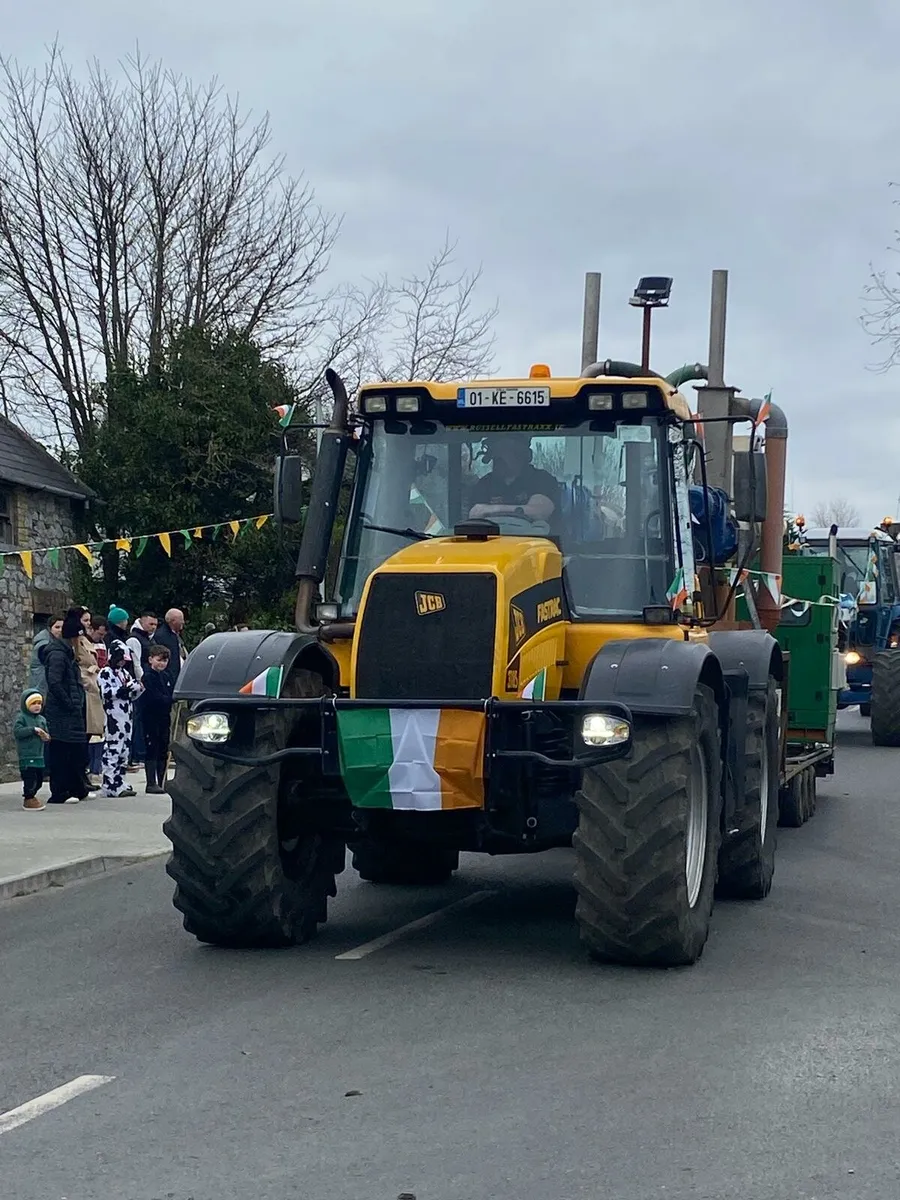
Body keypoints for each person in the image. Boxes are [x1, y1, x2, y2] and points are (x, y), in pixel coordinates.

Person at [40, 608, 94, 805]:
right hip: (62, 711)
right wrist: (69, 702)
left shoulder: (67, 653)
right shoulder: (57, 654)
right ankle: (60, 791)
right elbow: (54, 682)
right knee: (61, 752)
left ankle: (76, 788)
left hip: (71, 710)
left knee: (75, 752)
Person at [468, 434, 559, 526]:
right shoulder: (485, 484)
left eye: (503, 449)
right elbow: (475, 515)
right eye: (495, 451)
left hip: (538, 539)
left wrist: (491, 509)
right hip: (491, 540)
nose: (496, 456)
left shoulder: (541, 479)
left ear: (521, 454)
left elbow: (539, 512)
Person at [97, 644, 143, 797]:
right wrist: (122, 690)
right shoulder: (105, 673)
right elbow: (106, 693)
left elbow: (132, 695)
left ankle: (120, 781)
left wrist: (137, 689)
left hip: (126, 717)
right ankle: (109, 784)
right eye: (121, 659)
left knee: (124, 751)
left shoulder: (124, 674)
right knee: (112, 749)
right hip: (112, 717)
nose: (123, 663)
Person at [72, 609, 105, 789]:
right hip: (86, 686)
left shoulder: (85, 640)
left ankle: (84, 775)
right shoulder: (75, 641)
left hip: (92, 686)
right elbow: (78, 664)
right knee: (84, 733)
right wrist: (88, 680)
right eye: (85, 620)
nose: (88, 624)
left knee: (91, 733)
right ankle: (81, 775)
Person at [141, 643, 174, 793]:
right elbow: (153, 697)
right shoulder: (147, 677)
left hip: (164, 717)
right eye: (159, 660)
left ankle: (162, 779)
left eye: (165, 661)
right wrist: (168, 699)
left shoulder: (166, 676)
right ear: (150, 660)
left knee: (163, 747)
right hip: (150, 716)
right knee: (152, 748)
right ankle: (151, 782)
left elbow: (171, 692)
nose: (162, 663)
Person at [14, 690, 50, 811]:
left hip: (39, 755)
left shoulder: (42, 719)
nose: (37, 706)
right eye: (33, 703)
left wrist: (46, 737)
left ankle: (32, 795)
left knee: (39, 779)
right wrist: (32, 730)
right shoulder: (22, 718)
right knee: (30, 778)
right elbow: (18, 732)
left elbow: (46, 733)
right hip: (27, 755)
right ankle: (28, 798)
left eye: (39, 703)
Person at [27, 616, 63, 693]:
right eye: (57, 627)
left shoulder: (55, 642)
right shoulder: (43, 645)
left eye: (62, 627)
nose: (60, 630)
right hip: (41, 688)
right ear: (50, 629)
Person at [154, 608, 187, 689]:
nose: (183, 622)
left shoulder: (174, 634)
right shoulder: (162, 636)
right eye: (181, 619)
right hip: (169, 680)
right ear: (173, 621)